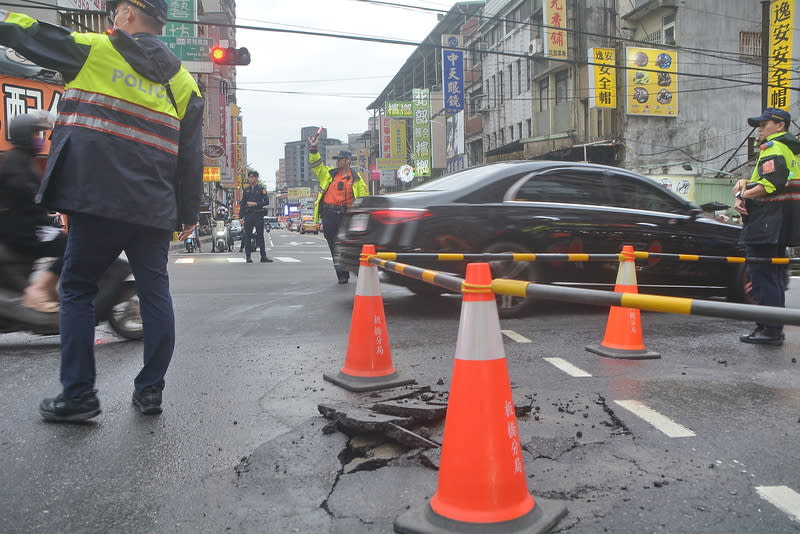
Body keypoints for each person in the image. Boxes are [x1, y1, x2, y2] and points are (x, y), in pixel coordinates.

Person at [0, 0, 205, 421]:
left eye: (116, 12)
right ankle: (150, 392)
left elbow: (30, 35)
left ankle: (78, 396)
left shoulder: (96, 49)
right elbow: (190, 157)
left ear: (128, 14)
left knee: (75, 288)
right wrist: (188, 212)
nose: (113, 19)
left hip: (98, 200)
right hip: (153, 207)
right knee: (155, 294)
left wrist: (8, 18)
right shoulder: (185, 83)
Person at [733, 107, 800, 346]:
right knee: (772, 278)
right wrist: (745, 183)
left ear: (779, 126)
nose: (760, 129)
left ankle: (769, 330)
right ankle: (771, 327)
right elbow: (772, 180)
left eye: (764, 124)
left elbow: (770, 183)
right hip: (779, 222)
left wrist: (744, 196)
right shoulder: (789, 148)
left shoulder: (774, 147)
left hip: (766, 221)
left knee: (763, 277)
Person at [0, 112, 65, 313]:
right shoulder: (15, 161)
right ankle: (39, 288)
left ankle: (51, 290)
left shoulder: (23, 159)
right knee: (70, 246)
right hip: (25, 231)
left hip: (29, 225)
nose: (39, 139)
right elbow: (29, 193)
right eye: (35, 134)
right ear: (23, 135)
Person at [308, 138, 368, 283]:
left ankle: (355, 268)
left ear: (348, 161)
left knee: (348, 244)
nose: (338, 161)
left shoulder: (357, 180)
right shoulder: (328, 174)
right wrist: (314, 149)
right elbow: (316, 165)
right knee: (332, 243)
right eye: (337, 159)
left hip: (346, 215)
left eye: (341, 159)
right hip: (329, 214)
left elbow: (363, 199)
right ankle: (341, 274)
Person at [239, 170, 272, 263]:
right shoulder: (246, 190)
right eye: (250, 177)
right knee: (247, 236)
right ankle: (248, 257)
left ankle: (263, 256)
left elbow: (266, 201)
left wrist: (256, 204)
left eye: (253, 177)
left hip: (258, 214)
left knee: (260, 236)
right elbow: (243, 204)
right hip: (248, 215)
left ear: (256, 178)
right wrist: (240, 217)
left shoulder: (261, 189)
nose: (251, 179)